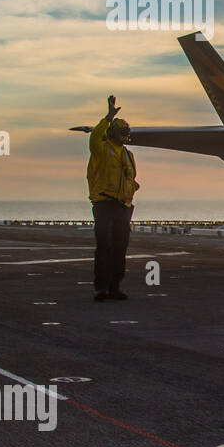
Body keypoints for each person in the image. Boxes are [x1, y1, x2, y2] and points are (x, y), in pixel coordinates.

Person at [87, 95, 139, 301]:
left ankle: (115, 286)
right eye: (122, 131)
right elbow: (94, 137)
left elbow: (131, 178)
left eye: (126, 132)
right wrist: (108, 117)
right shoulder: (101, 149)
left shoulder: (128, 155)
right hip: (104, 204)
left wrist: (132, 190)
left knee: (120, 248)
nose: (125, 135)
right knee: (104, 246)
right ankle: (100, 288)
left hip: (122, 207)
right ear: (112, 133)